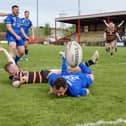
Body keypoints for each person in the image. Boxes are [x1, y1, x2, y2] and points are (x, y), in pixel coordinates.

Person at [0, 46, 99, 97]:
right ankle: (89, 63)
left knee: (68, 72)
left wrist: (4, 51)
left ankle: (85, 64)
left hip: (43, 73)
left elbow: (10, 61)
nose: (15, 65)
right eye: (13, 67)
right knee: (69, 71)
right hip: (45, 77)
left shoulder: (16, 70)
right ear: (11, 72)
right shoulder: (15, 77)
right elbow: (15, 84)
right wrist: (21, 82)